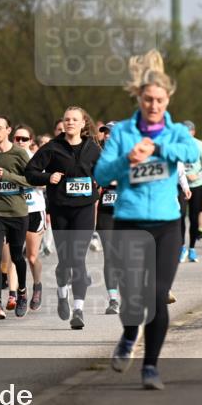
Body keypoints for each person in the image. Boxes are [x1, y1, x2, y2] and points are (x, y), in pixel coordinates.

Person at [95, 50, 199, 390]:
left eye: (160, 100)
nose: (154, 105)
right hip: (130, 223)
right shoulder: (123, 132)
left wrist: (158, 149)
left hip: (167, 225)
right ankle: (129, 335)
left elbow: (191, 154)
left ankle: (150, 366)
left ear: (167, 100)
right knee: (132, 297)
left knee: (156, 296)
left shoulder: (176, 131)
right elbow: (101, 173)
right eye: (148, 99)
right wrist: (127, 159)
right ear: (139, 98)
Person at [26, 106, 101, 330]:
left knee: (78, 259)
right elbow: (30, 172)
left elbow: (105, 171)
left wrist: (100, 179)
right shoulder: (52, 147)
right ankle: (62, 293)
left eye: (74, 120)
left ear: (83, 123)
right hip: (60, 210)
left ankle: (78, 310)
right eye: (67, 119)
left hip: (84, 209)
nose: (70, 123)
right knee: (65, 260)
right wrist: (48, 177)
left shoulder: (93, 148)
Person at [0, 115, 32, 318]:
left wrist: (9, 176)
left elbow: (32, 179)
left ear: (8, 130)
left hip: (18, 213)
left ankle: (22, 293)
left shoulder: (19, 153)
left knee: (17, 256)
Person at [9, 124, 47, 311]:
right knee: (15, 256)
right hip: (14, 212)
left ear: (31, 141)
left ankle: (37, 286)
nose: (21, 142)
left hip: (34, 210)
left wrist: (25, 180)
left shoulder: (37, 159)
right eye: (17, 139)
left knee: (31, 257)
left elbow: (45, 184)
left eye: (24, 139)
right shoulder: (8, 160)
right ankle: (14, 295)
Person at [95, 121, 121, 314]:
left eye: (111, 133)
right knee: (110, 255)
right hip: (106, 209)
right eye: (105, 133)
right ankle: (113, 299)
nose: (108, 136)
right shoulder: (97, 154)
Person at [180, 121, 202, 263]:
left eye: (188, 131)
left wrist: (198, 175)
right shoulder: (176, 144)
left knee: (194, 218)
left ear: (193, 132)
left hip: (197, 185)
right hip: (180, 186)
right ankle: (182, 248)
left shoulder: (199, 145)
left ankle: (192, 248)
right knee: (180, 216)